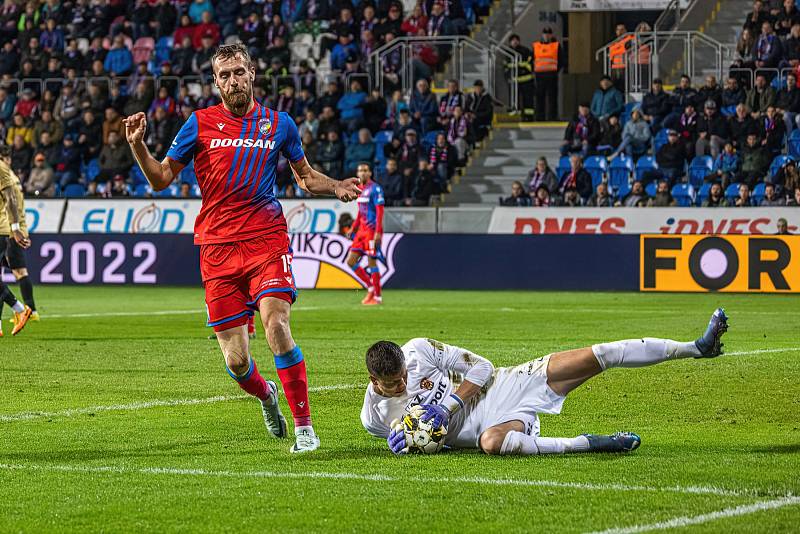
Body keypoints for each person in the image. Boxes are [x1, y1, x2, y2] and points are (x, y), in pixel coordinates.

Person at [123, 43, 361, 453]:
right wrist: (137, 146)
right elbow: (161, 179)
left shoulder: (279, 123)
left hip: (266, 240)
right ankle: (267, 394)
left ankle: (305, 428)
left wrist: (336, 184)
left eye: (238, 71)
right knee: (235, 361)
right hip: (216, 249)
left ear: (252, 73)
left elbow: (304, 177)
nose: (232, 80)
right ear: (215, 82)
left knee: (277, 326)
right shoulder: (198, 124)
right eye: (224, 75)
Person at [364, 309, 729, 456]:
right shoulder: (373, 417)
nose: (403, 386)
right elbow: (415, 440)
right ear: (374, 381)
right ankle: (592, 444)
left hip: (504, 387)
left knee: (600, 353)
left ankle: (697, 347)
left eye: (404, 378)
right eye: (394, 384)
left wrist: (446, 408)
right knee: (492, 445)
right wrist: (406, 445)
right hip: (487, 428)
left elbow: (484, 368)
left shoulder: (420, 351)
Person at [0, 145, 33, 337]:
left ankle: (22, 309)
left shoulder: (2, 169)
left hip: (2, 229)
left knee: (20, 271)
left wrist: (15, 228)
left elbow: (11, 198)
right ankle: (21, 309)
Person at [345, 163, 385, 306]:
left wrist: (378, 232)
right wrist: (353, 229)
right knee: (350, 261)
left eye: (365, 170)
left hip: (371, 232)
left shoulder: (376, 189)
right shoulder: (360, 189)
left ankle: (378, 297)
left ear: (369, 173)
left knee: (371, 262)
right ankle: (370, 287)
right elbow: (360, 213)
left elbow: (380, 211)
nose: (362, 173)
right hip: (361, 232)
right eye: (360, 170)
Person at [532, 27, 562, 121]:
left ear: (551, 35)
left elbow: (561, 60)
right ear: (542, 34)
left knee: (552, 98)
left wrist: (556, 70)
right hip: (540, 76)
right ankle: (540, 117)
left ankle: (552, 117)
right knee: (539, 97)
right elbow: (532, 59)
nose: (547, 35)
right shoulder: (536, 46)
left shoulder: (556, 45)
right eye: (545, 33)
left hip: (552, 75)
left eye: (548, 33)